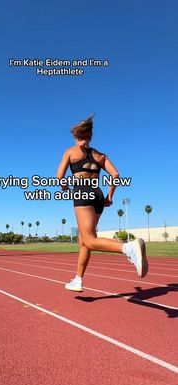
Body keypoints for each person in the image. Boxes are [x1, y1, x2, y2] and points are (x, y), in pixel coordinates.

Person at [56, 114, 148, 292]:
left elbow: (59, 176)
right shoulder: (100, 155)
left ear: (77, 137)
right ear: (90, 137)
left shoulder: (70, 151)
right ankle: (78, 279)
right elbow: (115, 175)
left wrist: (64, 186)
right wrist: (110, 196)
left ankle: (128, 248)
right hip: (97, 195)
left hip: (82, 192)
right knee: (84, 240)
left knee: (90, 240)